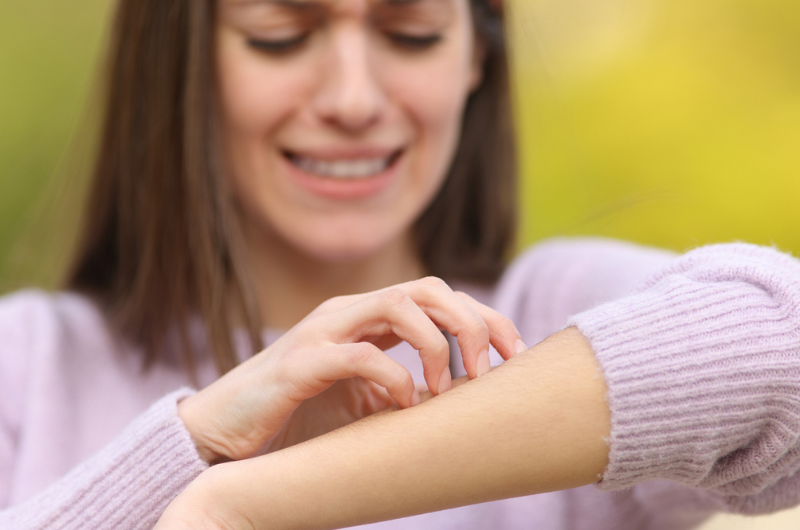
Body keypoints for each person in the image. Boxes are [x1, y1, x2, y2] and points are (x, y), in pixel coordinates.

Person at [2, 1, 800, 530]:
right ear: (185, 62)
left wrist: (247, 503)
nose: (352, 98)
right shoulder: (28, 361)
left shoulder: (550, 316)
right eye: (281, 35)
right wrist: (195, 444)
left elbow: (779, 342)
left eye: (410, 33)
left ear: (475, 61)